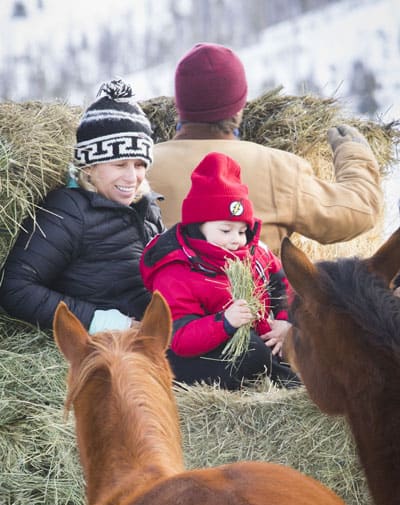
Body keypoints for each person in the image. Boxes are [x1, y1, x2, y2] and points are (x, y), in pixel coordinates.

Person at [147, 42, 383, 254]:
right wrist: (354, 156)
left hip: (161, 302)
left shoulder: (142, 166)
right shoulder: (278, 168)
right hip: (259, 302)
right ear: (240, 107)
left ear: (179, 104)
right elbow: (357, 212)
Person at [0, 78, 164, 333]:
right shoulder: (68, 211)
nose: (132, 177)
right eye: (120, 165)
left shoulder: (147, 206)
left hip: (160, 331)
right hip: (113, 348)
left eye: (140, 164)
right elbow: (15, 288)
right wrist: (106, 323)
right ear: (89, 166)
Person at [140, 152, 300, 390]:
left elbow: (282, 286)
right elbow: (180, 338)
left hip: (262, 339)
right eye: (225, 231)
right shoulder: (176, 271)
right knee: (253, 354)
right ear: (198, 226)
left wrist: (284, 323)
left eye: (242, 230)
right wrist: (225, 322)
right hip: (198, 351)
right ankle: (278, 377)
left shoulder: (255, 254)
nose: (236, 240)